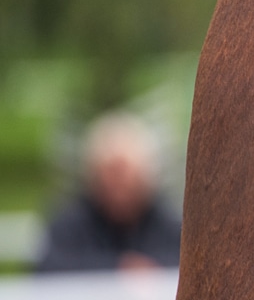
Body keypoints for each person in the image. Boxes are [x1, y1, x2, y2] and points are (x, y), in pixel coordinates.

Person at [35, 112, 182, 272]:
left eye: (126, 172)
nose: (120, 184)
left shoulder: (167, 221)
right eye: (111, 172)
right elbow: (48, 270)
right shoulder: (69, 224)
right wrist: (118, 269)